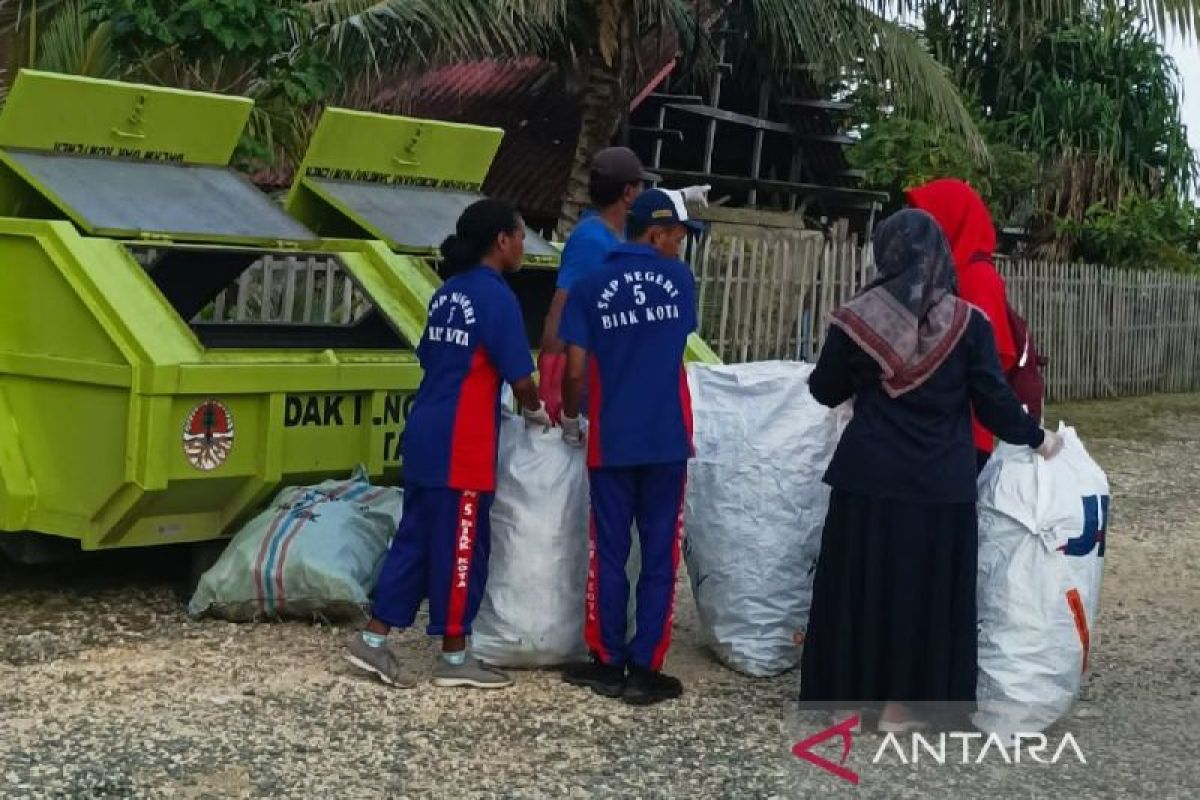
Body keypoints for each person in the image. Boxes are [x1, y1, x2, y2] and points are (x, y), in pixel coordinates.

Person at [798, 209, 1062, 731]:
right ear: (941, 256)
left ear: (886, 253)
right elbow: (992, 400)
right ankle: (904, 709)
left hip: (867, 479)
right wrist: (1038, 437)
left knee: (862, 589)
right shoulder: (968, 324)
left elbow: (824, 389)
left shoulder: (857, 318)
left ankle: (852, 702)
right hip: (938, 485)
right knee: (921, 596)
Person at [345, 199, 552, 689]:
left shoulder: (448, 293)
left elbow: (438, 358)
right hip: (463, 443)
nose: (524, 245)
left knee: (414, 542)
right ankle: (455, 658)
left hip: (425, 433)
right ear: (501, 240)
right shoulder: (496, 297)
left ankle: (373, 640)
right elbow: (521, 379)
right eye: (521, 236)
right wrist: (540, 413)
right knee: (463, 546)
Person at [556, 188, 701, 705]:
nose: (680, 248)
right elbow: (673, 344)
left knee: (610, 552)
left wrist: (572, 418)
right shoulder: (680, 281)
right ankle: (645, 670)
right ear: (656, 233)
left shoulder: (591, 285)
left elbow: (574, 369)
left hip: (611, 439)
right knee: (660, 554)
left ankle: (607, 661)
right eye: (677, 238)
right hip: (664, 438)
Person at [537, 146, 708, 420]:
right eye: (639, 188)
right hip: (588, 383)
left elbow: (653, 221)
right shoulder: (591, 241)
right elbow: (562, 309)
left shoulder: (620, 234)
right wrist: (551, 382)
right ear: (628, 193)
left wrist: (682, 196)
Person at [907, 178, 1019, 472]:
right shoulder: (945, 273)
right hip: (935, 429)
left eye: (929, 220)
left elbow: (986, 365)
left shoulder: (975, 277)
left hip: (960, 433)